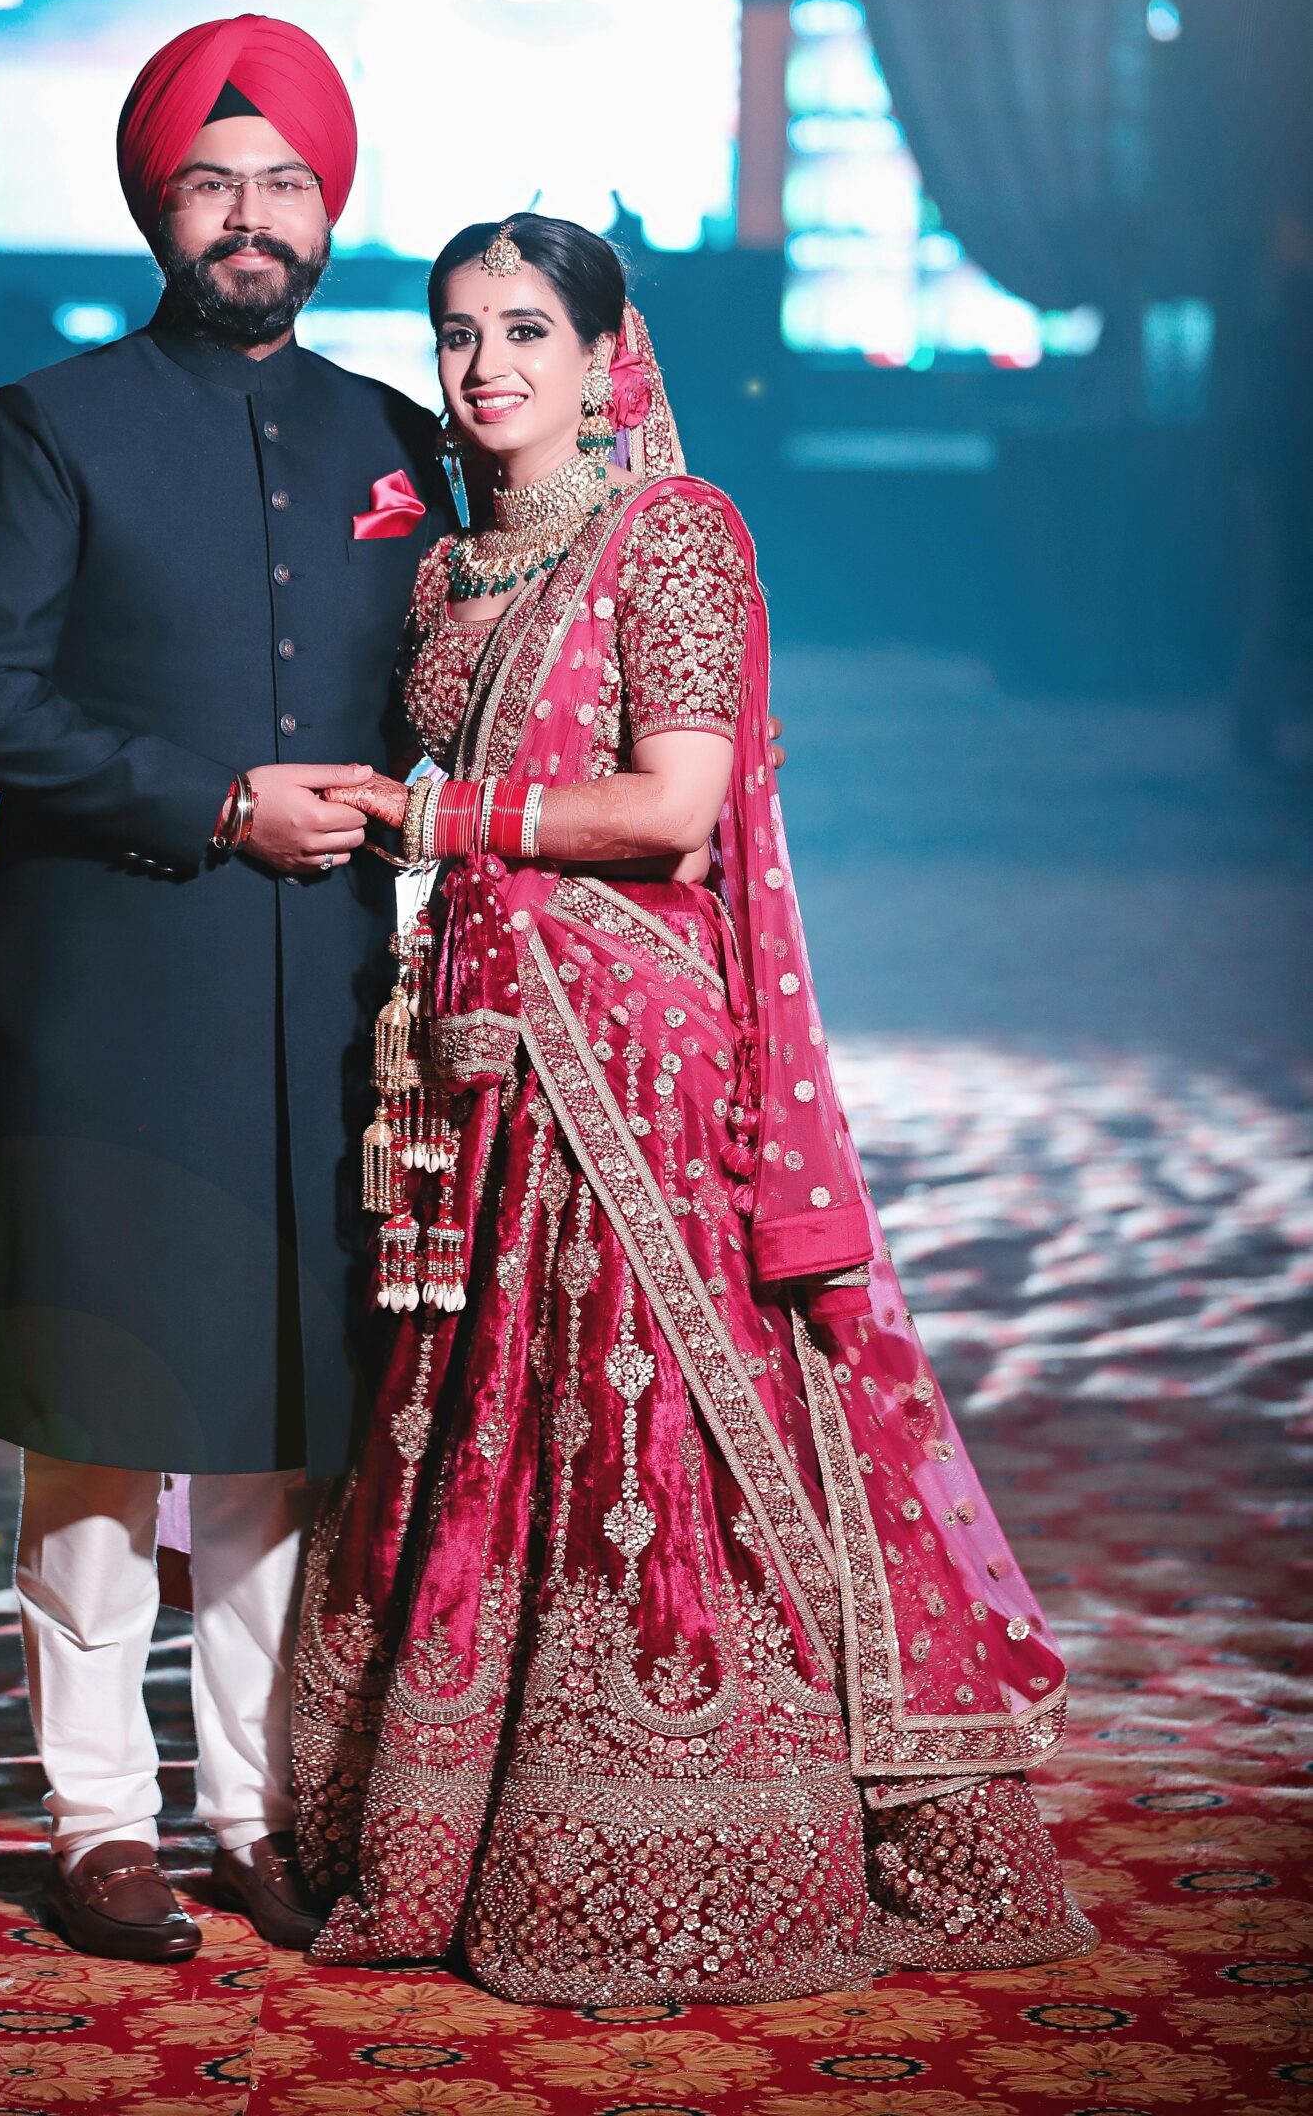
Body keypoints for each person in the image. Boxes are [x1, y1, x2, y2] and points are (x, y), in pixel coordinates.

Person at [291, 214, 1095, 2005]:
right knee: (478, 1404)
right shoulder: (444, 576)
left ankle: (707, 1829)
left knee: (640, 1428)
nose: (485, 365)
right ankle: (450, 1832)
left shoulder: (676, 540)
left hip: (634, 1062)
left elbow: (671, 811)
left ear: (603, 357)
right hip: (475, 1057)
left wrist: (442, 822)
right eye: (455, 332)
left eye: (524, 330)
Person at [0, 15, 444, 1961]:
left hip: (330, 1004)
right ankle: (96, 1821)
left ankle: (246, 1810)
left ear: (328, 208)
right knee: (101, 1400)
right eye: (210, 181)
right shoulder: (47, 422)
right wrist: (214, 798)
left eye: (284, 183)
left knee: (284, 1415)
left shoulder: (399, 436)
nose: (249, 217)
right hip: (110, 979)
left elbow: (455, 681)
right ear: (156, 202)